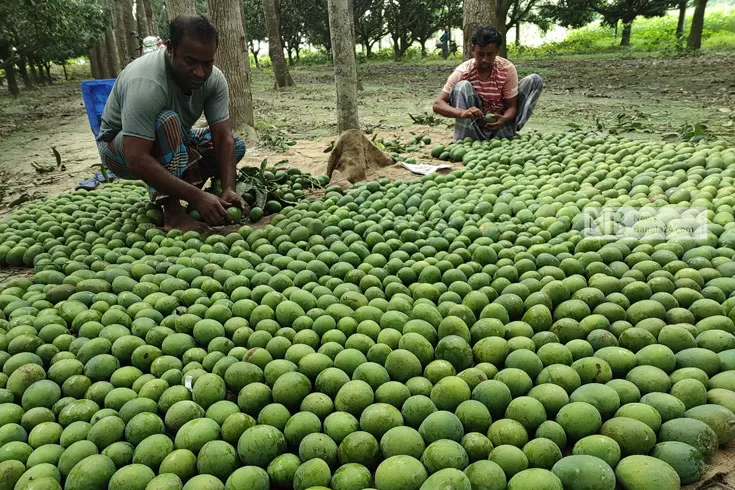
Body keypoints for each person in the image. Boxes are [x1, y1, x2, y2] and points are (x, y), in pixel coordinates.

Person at [96, 15, 247, 232]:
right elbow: (136, 158)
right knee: (167, 121)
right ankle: (174, 213)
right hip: (121, 151)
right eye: (190, 61)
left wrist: (229, 188)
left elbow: (223, 138)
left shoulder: (214, 80)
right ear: (170, 48)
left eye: (207, 63)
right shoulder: (146, 82)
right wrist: (196, 197)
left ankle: (201, 194)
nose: (200, 72)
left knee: (234, 144)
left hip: (173, 136)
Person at [433, 25, 543, 142]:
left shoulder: (506, 69)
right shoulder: (463, 72)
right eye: (480, 54)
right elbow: (437, 104)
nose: (485, 59)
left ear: (497, 51)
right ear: (473, 49)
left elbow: (512, 107)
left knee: (535, 80)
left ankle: (509, 132)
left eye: (490, 54)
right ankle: (467, 138)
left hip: (499, 127)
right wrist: (462, 113)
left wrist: (504, 118)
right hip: (473, 129)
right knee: (461, 87)